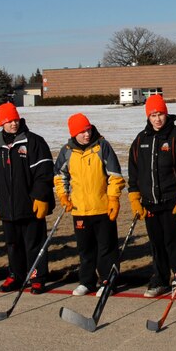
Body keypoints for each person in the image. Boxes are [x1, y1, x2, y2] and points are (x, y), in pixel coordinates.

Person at [127, 94, 176, 298]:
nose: (157, 119)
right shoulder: (141, 139)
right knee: (156, 244)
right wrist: (134, 197)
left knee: (173, 243)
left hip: (172, 202)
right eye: (153, 115)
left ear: (166, 114)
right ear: (148, 116)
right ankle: (159, 279)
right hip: (150, 203)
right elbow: (134, 171)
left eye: (160, 114)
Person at [0, 103, 55, 294]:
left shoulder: (34, 142)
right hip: (7, 208)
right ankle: (15, 275)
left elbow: (44, 173)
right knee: (13, 245)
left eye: (15, 120)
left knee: (34, 244)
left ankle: (37, 276)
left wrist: (40, 196)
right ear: (1, 123)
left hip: (30, 206)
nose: (13, 124)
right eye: (8, 121)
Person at [53, 113, 125, 297]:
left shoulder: (102, 147)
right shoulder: (67, 151)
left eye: (88, 130)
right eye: (82, 132)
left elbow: (115, 176)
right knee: (85, 249)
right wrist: (63, 196)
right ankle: (87, 281)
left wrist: (113, 199)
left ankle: (108, 281)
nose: (86, 134)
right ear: (73, 134)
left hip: (102, 208)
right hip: (79, 210)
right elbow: (60, 177)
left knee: (106, 248)